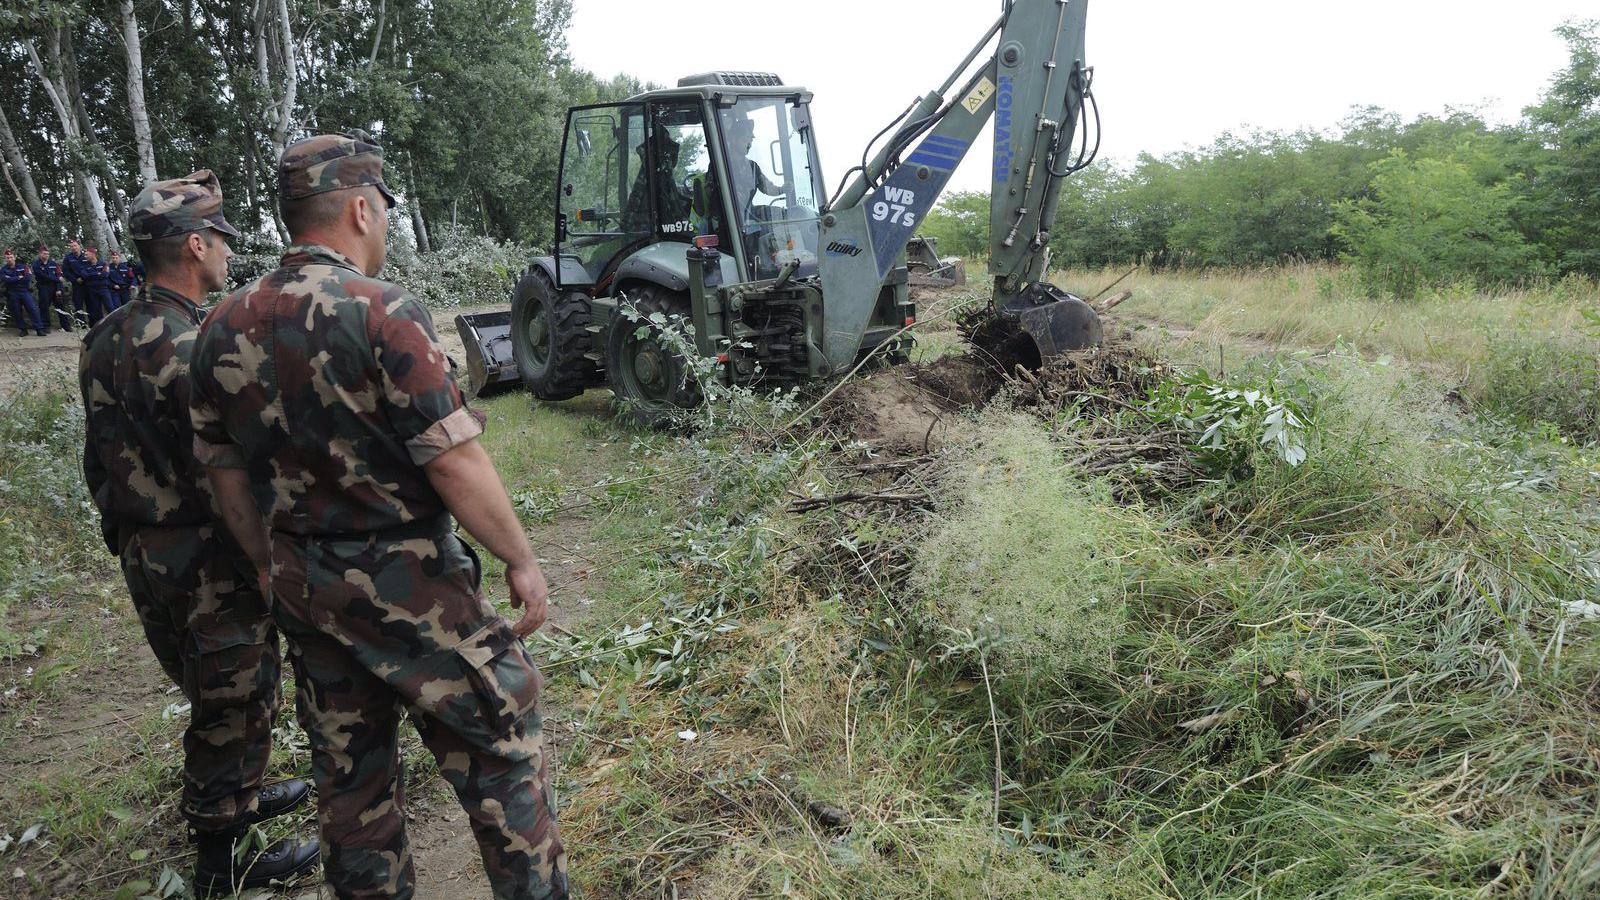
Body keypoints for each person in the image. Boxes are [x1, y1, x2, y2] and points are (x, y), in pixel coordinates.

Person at [190, 130, 567, 900]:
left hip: (305, 585)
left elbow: (222, 472)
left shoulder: (220, 325)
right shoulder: (385, 312)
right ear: (361, 209)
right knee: (499, 754)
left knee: (351, 791)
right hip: (414, 589)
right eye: (384, 211)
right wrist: (520, 559)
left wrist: (268, 562)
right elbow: (453, 459)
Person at [78, 170, 321, 897]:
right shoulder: (197, 343)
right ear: (192, 245)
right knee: (234, 700)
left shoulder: (103, 337)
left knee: (210, 686)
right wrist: (272, 548)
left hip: (143, 551)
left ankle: (241, 801)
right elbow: (234, 467)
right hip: (206, 556)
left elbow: (99, 455)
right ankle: (225, 862)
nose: (225, 253)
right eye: (219, 239)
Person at [2, 248, 47, 336]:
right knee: (17, 312)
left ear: (14, 257)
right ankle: (23, 329)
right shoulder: (3, 269)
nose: (9, 259)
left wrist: (13, 279)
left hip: (25, 291)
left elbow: (27, 278)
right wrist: (19, 277)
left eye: (11, 257)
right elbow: (6, 280)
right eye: (7, 258)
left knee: (33, 309)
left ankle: (39, 329)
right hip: (12, 293)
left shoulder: (23, 267)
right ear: (5, 259)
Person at [32, 245, 67, 332]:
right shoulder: (36, 264)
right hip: (43, 287)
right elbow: (44, 277)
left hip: (55, 287)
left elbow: (59, 275)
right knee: (44, 307)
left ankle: (66, 326)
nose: (46, 255)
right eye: (44, 254)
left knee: (60, 306)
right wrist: (57, 279)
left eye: (48, 254)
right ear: (40, 254)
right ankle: (46, 326)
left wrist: (59, 288)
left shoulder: (53, 264)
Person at [81, 245, 114, 326]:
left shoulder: (103, 264)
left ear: (93, 254)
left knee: (110, 307)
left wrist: (91, 275)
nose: (85, 256)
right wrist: (98, 274)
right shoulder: (85, 265)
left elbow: (105, 275)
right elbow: (84, 276)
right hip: (92, 290)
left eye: (87, 254)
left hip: (103, 289)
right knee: (96, 311)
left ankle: (115, 324)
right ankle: (100, 327)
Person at [63, 238, 89, 328]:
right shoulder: (68, 258)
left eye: (75, 245)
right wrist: (75, 279)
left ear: (79, 246)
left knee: (91, 303)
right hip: (77, 284)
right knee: (78, 305)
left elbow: (91, 267)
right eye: (71, 246)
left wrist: (84, 277)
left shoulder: (86, 255)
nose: (73, 247)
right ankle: (82, 324)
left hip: (88, 283)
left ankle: (93, 323)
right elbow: (66, 272)